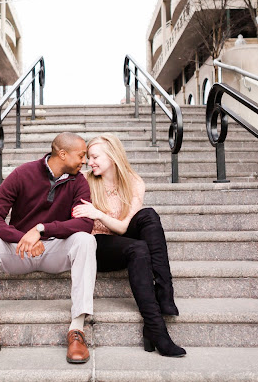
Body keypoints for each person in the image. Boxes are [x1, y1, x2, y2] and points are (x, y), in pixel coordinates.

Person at [0, 132, 97, 365]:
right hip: (20, 251)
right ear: (63, 154)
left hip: (55, 250)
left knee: (86, 240)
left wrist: (42, 229)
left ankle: (77, 330)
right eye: (81, 155)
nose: (84, 161)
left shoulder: (79, 182)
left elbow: (85, 223)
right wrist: (23, 237)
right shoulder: (23, 174)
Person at [72, 133, 185, 357]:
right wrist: (96, 216)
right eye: (88, 157)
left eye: (94, 156)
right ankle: (157, 326)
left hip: (121, 236)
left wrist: (97, 213)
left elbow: (123, 228)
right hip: (96, 244)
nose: (89, 162)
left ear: (112, 156)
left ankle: (164, 293)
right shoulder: (83, 181)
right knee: (138, 249)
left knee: (148, 216)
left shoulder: (134, 182)